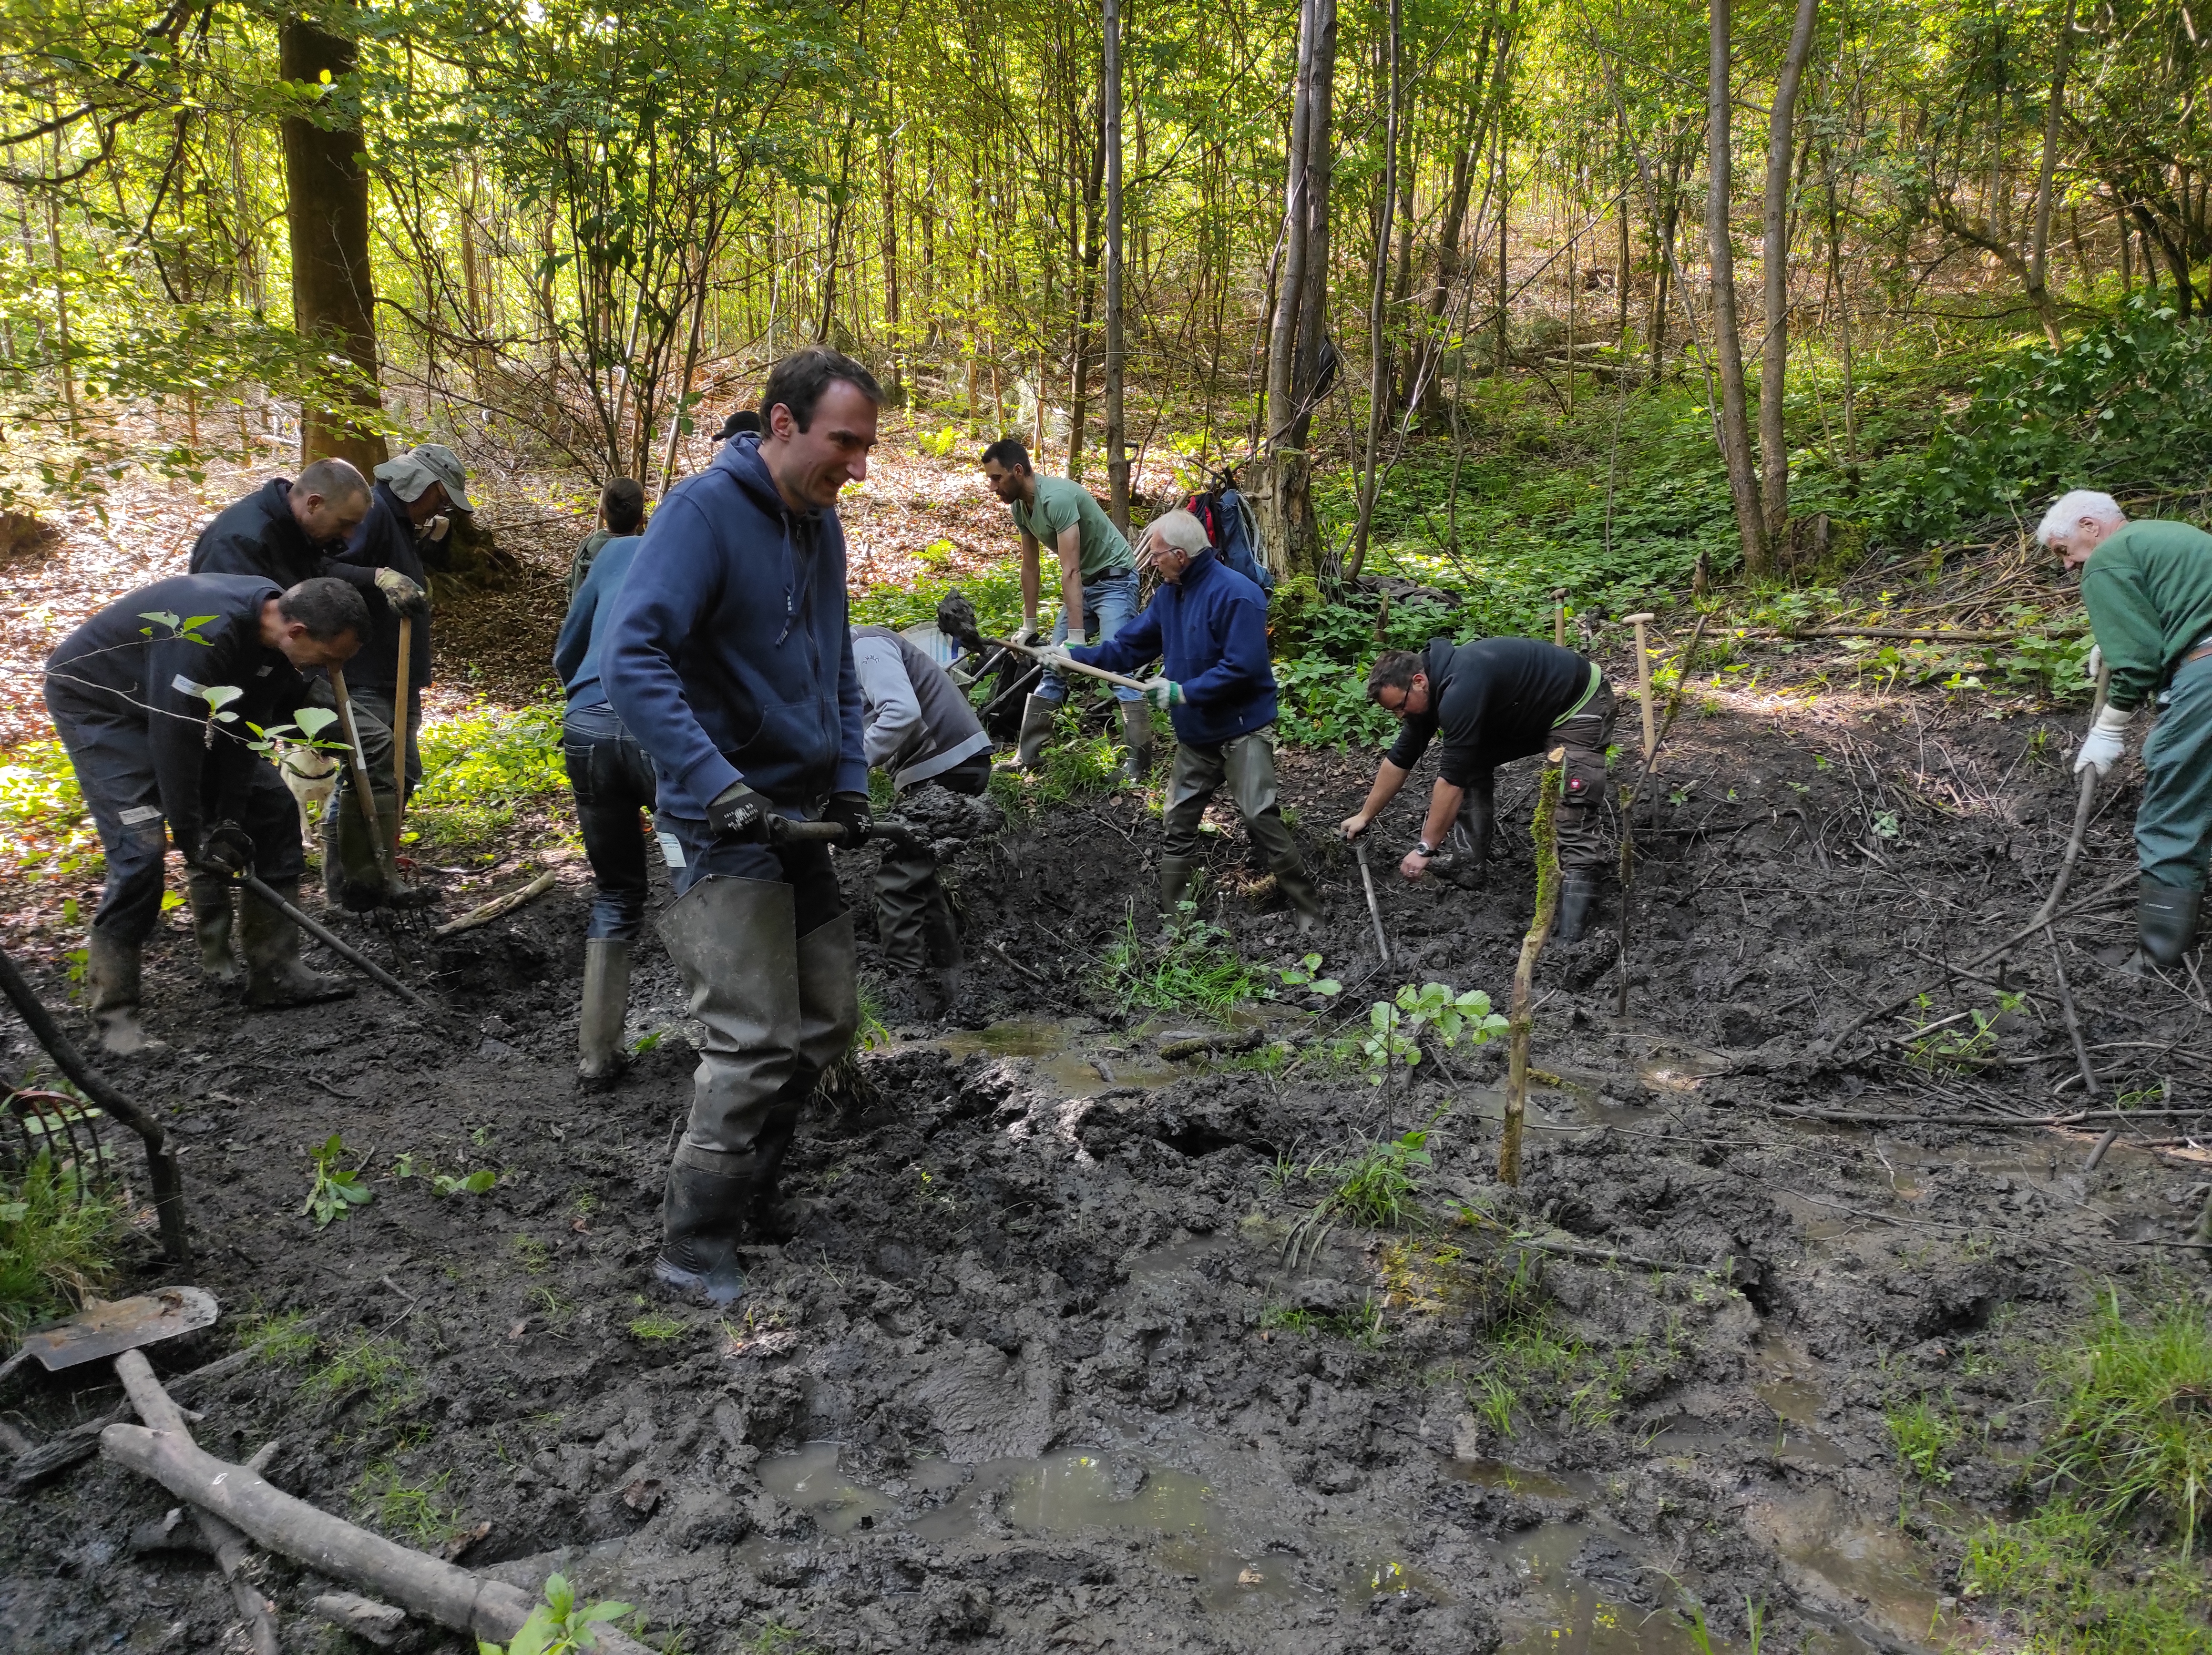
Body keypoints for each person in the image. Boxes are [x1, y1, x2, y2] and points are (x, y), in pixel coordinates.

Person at [603, 345, 878, 1307]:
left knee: (825, 1020)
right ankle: (693, 1245)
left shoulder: (822, 527)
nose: (858, 463)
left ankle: (754, 1194)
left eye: (867, 446)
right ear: (781, 425)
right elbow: (629, 660)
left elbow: (838, 662)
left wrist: (848, 780)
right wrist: (714, 781)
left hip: (798, 818)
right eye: (843, 441)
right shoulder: (701, 515)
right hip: (717, 824)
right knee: (752, 1039)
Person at [42, 575, 371, 1052]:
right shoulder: (209, 634)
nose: (334, 670)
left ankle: (277, 970)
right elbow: (175, 737)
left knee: (274, 808)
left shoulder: (276, 643)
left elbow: (239, 732)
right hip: (102, 706)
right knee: (140, 850)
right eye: (331, 657)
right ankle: (113, 1020)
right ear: (297, 632)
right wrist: (193, 835)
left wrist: (232, 819)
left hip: (173, 711)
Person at [1055, 509, 1322, 931]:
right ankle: (1176, 924)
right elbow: (1129, 647)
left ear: (1180, 555)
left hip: (1243, 727)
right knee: (1177, 822)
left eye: (1157, 556)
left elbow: (1244, 668)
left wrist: (1184, 691)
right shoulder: (1169, 596)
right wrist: (1075, 657)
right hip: (1197, 733)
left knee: (1258, 813)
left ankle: (1308, 907)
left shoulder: (1238, 595)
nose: (1152, 563)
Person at [184, 458, 375, 979]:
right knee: (235, 814)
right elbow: (224, 645)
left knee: (358, 746)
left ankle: (277, 961)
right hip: (222, 699)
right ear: (312, 503)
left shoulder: (305, 536)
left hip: (275, 677)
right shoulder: (240, 542)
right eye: (344, 524)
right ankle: (224, 963)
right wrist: (242, 733)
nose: (350, 536)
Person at [1342, 637, 1618, 942]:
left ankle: (1576, 929)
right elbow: (1400, 758)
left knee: (1572, 805)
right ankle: (1468, 864)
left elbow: (1451, 780)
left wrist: (1425, 849)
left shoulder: (1461, 687)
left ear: (1418, 681)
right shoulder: (1429, 692)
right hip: (1528, 712)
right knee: (1470, 763)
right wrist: (1365, 815)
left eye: (1400, 707)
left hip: (1578, 704)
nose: (1400, 716)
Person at [2038, 490, 2212, 968]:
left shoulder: (2107, 558)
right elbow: (2176, 612)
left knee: (2172, 806)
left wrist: (2109, 727)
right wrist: (2113, 641)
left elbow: (2135, 663)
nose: (2069, 566)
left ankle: (2156, 957)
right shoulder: (2166, 534)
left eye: (2063, 550)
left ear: (2090, 527)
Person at [328, 443, 474, 909]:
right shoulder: (370, 514)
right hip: (367, 672)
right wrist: (379, 577)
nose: (443, 505)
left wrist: (429, 541)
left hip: (398, 676)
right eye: (441, 497)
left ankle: (376, 873)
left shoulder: (399, 521)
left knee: (401, 772)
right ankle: (350, 889)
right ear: (422, 487)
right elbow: (326, 569)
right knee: (365, 776)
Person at [552, 512, 656, 1087]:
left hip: (586, 728)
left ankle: (596, 1056)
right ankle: (726, 1040)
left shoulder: (613, 554)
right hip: (657, 732)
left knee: (615, 891)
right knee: (701, 875)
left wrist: (587, 698)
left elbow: (568, 650)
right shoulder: (703, 554)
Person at [979, 437, 1148, 781]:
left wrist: (1074, 637)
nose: (992, 486)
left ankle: (1138, 767)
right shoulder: (1020, 509)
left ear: (1017, 471)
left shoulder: (1056, 498)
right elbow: (1031, 567)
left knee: (1119, 671)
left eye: (996, 478)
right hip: (1085, 582)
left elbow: (1069, 569)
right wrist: (1029, 625)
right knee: (1052, 666)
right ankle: (1028, 758)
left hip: (1115, 581)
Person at [851, 621, 993, 1018]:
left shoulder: (863, 645)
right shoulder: (843, 654)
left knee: (897, 878)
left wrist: (850, 766)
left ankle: (905, 992)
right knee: (919, 874)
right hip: (944, 764)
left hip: (945, 763)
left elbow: (901, 713)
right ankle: (952, 983)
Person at [566, 477, 646, 599]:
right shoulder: (645, 553)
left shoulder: (587, 548)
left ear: (602, 513)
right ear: (641, 520)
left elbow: (576, 591)